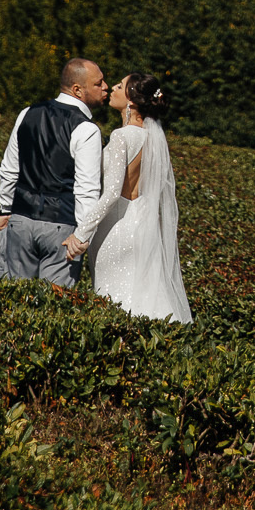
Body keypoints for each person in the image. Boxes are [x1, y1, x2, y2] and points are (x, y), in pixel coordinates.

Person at [62, 71, 192, 323]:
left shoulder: (122, 137)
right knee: (141, 295)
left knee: (115, 298)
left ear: (131, 100)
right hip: (141, 228)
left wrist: (82, 233)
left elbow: (111, 193)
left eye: (120, 86)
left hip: (116, 231)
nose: (112, 89)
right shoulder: (150, 139)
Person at [0, 57, 108, 287]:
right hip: (61, 227)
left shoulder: (27, 113)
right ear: (78, 90)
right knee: (54, 306)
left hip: (20, 219)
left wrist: (6, 208)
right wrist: (83, 236)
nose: (106, 87)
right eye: (98, 83)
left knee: (18, 301)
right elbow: (87, 189)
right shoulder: (87, 129)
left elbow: (10, 168)